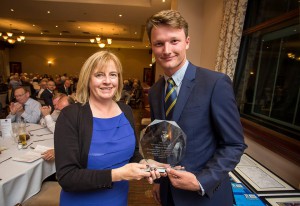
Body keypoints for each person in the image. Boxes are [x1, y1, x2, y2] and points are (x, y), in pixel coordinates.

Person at [146, 10, 247, 206]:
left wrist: (202, 181)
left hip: (205, 197)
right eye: (159, 43)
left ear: (187, 42)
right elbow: (160, 140)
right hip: (168, 194)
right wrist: (158, 180)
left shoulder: (215, 83)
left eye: (174, 41)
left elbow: (234, 144)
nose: (166, 50)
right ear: (152, 47)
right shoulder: (155, 91)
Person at [54, 51, 165, 205]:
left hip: (118, 200)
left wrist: (145, 163)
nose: (107, 81)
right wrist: (118, 174)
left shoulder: (125, 110)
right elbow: (67, 177)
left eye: (113, 75)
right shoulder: (71, 115)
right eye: (99, 75)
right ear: (88, 79)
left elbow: (132, 154)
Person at [40, 95, 75, 161]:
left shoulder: (76, 118)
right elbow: (43, 124)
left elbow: (57, 130)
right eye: (55, 105)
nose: (55, 108)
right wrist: (46, 115)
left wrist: (58, 151)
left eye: (57, 105)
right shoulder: (58, 110)